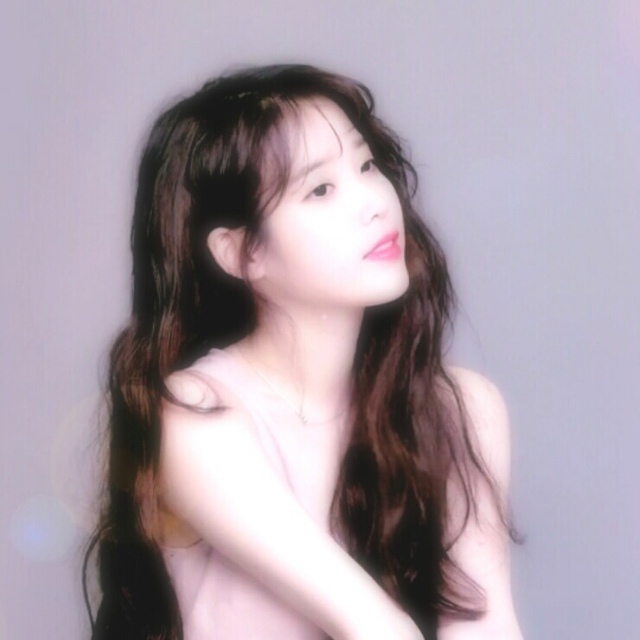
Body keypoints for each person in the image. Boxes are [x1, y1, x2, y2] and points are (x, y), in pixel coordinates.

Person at [82, 63, 524, 640]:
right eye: (320, 189)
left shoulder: (459, 408)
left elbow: (486, 627)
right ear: (242, 254)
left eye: (366, 165)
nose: (374, 203)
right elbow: (374, 628)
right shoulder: (195, 413)